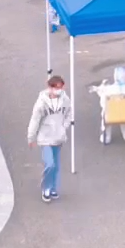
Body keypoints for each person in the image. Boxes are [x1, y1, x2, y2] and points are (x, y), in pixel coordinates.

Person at [25, 74, 73, 203]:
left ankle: (53, 188)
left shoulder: (65, 100)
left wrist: (64, 126)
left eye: (61, 88)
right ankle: (46, 188)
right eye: (56, 88)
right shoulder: (42, 103)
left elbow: (70, 113)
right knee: (50, 164)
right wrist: (31, 137)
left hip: (58, 137)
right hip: (45, 138)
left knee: (56, 165)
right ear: (50, 88)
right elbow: (35, 119)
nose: (59, 90)